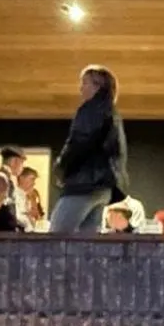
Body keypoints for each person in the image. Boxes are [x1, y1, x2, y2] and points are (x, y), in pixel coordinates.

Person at [50, 66, 128, 234]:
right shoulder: (112, 113)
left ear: (97, 86)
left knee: (56, 237)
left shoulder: (91, 109)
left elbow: (79, 142)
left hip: (84, 184)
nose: (81, 88)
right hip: (104, 187)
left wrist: (61, 167)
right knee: (89, 243)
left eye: (85, 83)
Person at [17, 165, 46, 231]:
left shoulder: (33, 195)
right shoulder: (15, 195)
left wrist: (33, 200)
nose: (34, 183)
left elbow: (39, 216)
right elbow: (18, 216)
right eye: (32, 179)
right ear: (21, 178)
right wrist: (28, 214)